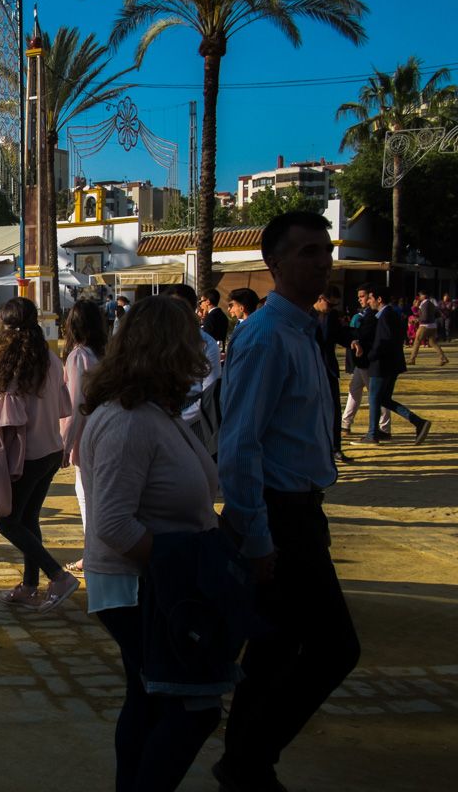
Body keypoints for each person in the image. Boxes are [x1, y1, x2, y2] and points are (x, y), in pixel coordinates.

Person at [217, 211, 360, 791]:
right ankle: (249, 759)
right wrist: (256, 536)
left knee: (274, 648)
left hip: (302, 509)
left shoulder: (304, 331)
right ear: (274, 264)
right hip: (278, 514)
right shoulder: (267, 337)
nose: (322, 262)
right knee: (333, 647)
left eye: (325, 250)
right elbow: (239, 446)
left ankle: (245, 764)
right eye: (307, 252)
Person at [80, 294, 221, 792]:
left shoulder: (155, 412)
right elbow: (114, 524)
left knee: (149, 698)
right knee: (191, 706)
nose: (201, 351)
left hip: (152, 584)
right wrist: (182, 564)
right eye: (191, 341)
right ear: (167, 349)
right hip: (138, 588)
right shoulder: (129, 420)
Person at [0, 297, 79, 612]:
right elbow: (62, 405)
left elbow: (10, 419)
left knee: (7, 522)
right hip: (51, 448)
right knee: (28, 519)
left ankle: (58, 575)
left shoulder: (16, 365)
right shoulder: (51, 359)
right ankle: (29, 585)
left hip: (28, 455)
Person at [58, 299, 108, 576]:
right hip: (105, 429)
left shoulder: (78, 356)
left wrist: (65, 444)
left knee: (86, 497)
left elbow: (76, 403)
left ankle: (93, 555)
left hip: (86, 434)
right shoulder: (103, 354)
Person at [354, 285, 432, 446]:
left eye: (370, 298)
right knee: (383, 399)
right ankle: (418, 422)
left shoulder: (385, 315)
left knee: (375, 398)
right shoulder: (390, 314)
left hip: (382, 365)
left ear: (379, 299)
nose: (368, 301)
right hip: (391, 364)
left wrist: (370, 356)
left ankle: (372, 434)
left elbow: (384, 341)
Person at [165, 285, 221, 452]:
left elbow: (209, 392)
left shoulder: (206, 343)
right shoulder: (155, 339)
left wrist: (179, 419)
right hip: (159, 413)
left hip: (193, 418)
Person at [341, 284, 391, 440]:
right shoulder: (367, 313)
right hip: (362, 361)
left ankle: (384, 428)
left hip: (369, 361)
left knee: (376, 395)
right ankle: (345, 423)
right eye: (359, 297)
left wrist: (353, 337)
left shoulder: (374, 315)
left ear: (371, 297)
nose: (361, 299)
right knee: (354, 389)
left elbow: (366, 335)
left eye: (363, 296)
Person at [314, 290, 352, 463]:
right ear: (320, 298)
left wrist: (352, 341)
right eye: (330, 304)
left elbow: (340, 335)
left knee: (334, 409)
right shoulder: (305, 314)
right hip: (309, 369)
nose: (331, 308)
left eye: (335, 305)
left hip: (328, 369)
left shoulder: (331, 316)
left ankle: (335, 448)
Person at [407, 289, 448, 365]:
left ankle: (412, 359)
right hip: (433, 326)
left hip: (425, 326)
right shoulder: (431, 303)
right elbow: (437, 314)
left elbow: (425, 317)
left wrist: (417, 320)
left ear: (424, 295)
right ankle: (443, 358)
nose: (419, 296)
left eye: (420, 295)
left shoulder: (425, 304)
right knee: (433, 342)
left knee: (417, 341)